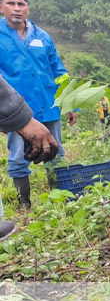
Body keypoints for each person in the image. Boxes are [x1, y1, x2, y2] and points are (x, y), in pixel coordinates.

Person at [0, 0, 76, 209]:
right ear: (1, 7)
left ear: (28, 8)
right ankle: (25, 204)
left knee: (56, 150)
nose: (17, 9)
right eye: (11, 3)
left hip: (49, 104)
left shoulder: (43, 36)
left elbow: (59, 71)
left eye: (21, 4)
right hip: (18, 110)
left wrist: (70, 103)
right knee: (18, 156)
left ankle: (60, 197)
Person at [0, 73, 59, 240]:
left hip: (44, 106)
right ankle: (24, 203)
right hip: (13, 106)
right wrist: (19, 117)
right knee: (19, 158)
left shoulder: (46, 44)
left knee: (54, 153)